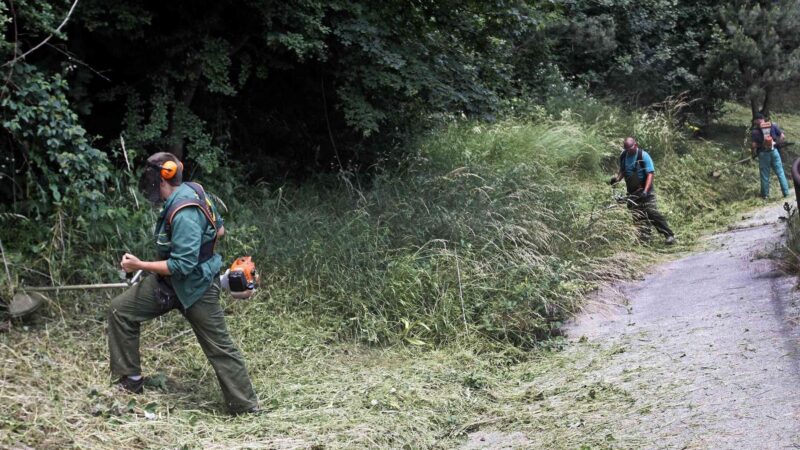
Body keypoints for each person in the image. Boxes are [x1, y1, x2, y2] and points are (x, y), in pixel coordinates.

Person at [107, 152, 259, 415]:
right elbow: (219, 230)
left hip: (196, 289)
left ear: (159, 177)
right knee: (120, 310)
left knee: (220, 348)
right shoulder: (196, 190)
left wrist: (139, 265)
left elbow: (182, 266)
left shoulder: (185, 211)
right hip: (167, 285)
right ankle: (130, 381)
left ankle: (245, 407)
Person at [609, 137, 676, 245]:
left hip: (645, 190)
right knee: (637, 216)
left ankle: (669, 235)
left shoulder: (643, 156)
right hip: (632, 191)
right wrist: (617, 179)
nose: (628, 151)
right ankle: (644, 240)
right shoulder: (623, 156)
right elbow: (623, 171)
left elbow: (650, 173)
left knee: (652, 212)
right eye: (626, 149)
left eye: (630, 148)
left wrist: (646, 190)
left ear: (635, 145)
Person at [750, 112, 789, 199]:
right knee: (780, 172)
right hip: (774, 151)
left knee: (765, 175)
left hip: (763, 154)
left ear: (757, 120)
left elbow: (753, 145)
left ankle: (765, 195)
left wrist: (753, 153)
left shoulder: (755, 131)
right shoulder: (773, 125)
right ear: (763, 118)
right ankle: (786, 193)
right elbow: (782, 136)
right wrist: (777, 143)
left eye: (755, 121)